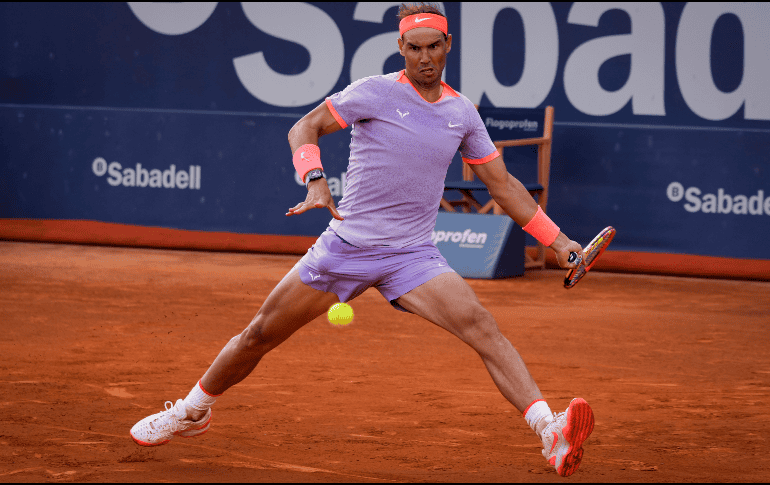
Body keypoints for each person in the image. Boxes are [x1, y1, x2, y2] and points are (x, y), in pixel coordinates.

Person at [130, 3, 594, 478]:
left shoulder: (462, 113)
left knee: (481, 325)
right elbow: (303, 126)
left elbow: (504, 186)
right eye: (414, 49)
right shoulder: (373, 92)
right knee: (258, 335)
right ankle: (190, 412)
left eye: (434, 46)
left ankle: (549, 431)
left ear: (447, 45)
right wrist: (314, 178)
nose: (425, 58)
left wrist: (559, 242)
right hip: (346, 248)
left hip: (412, 256)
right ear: (401, 49)